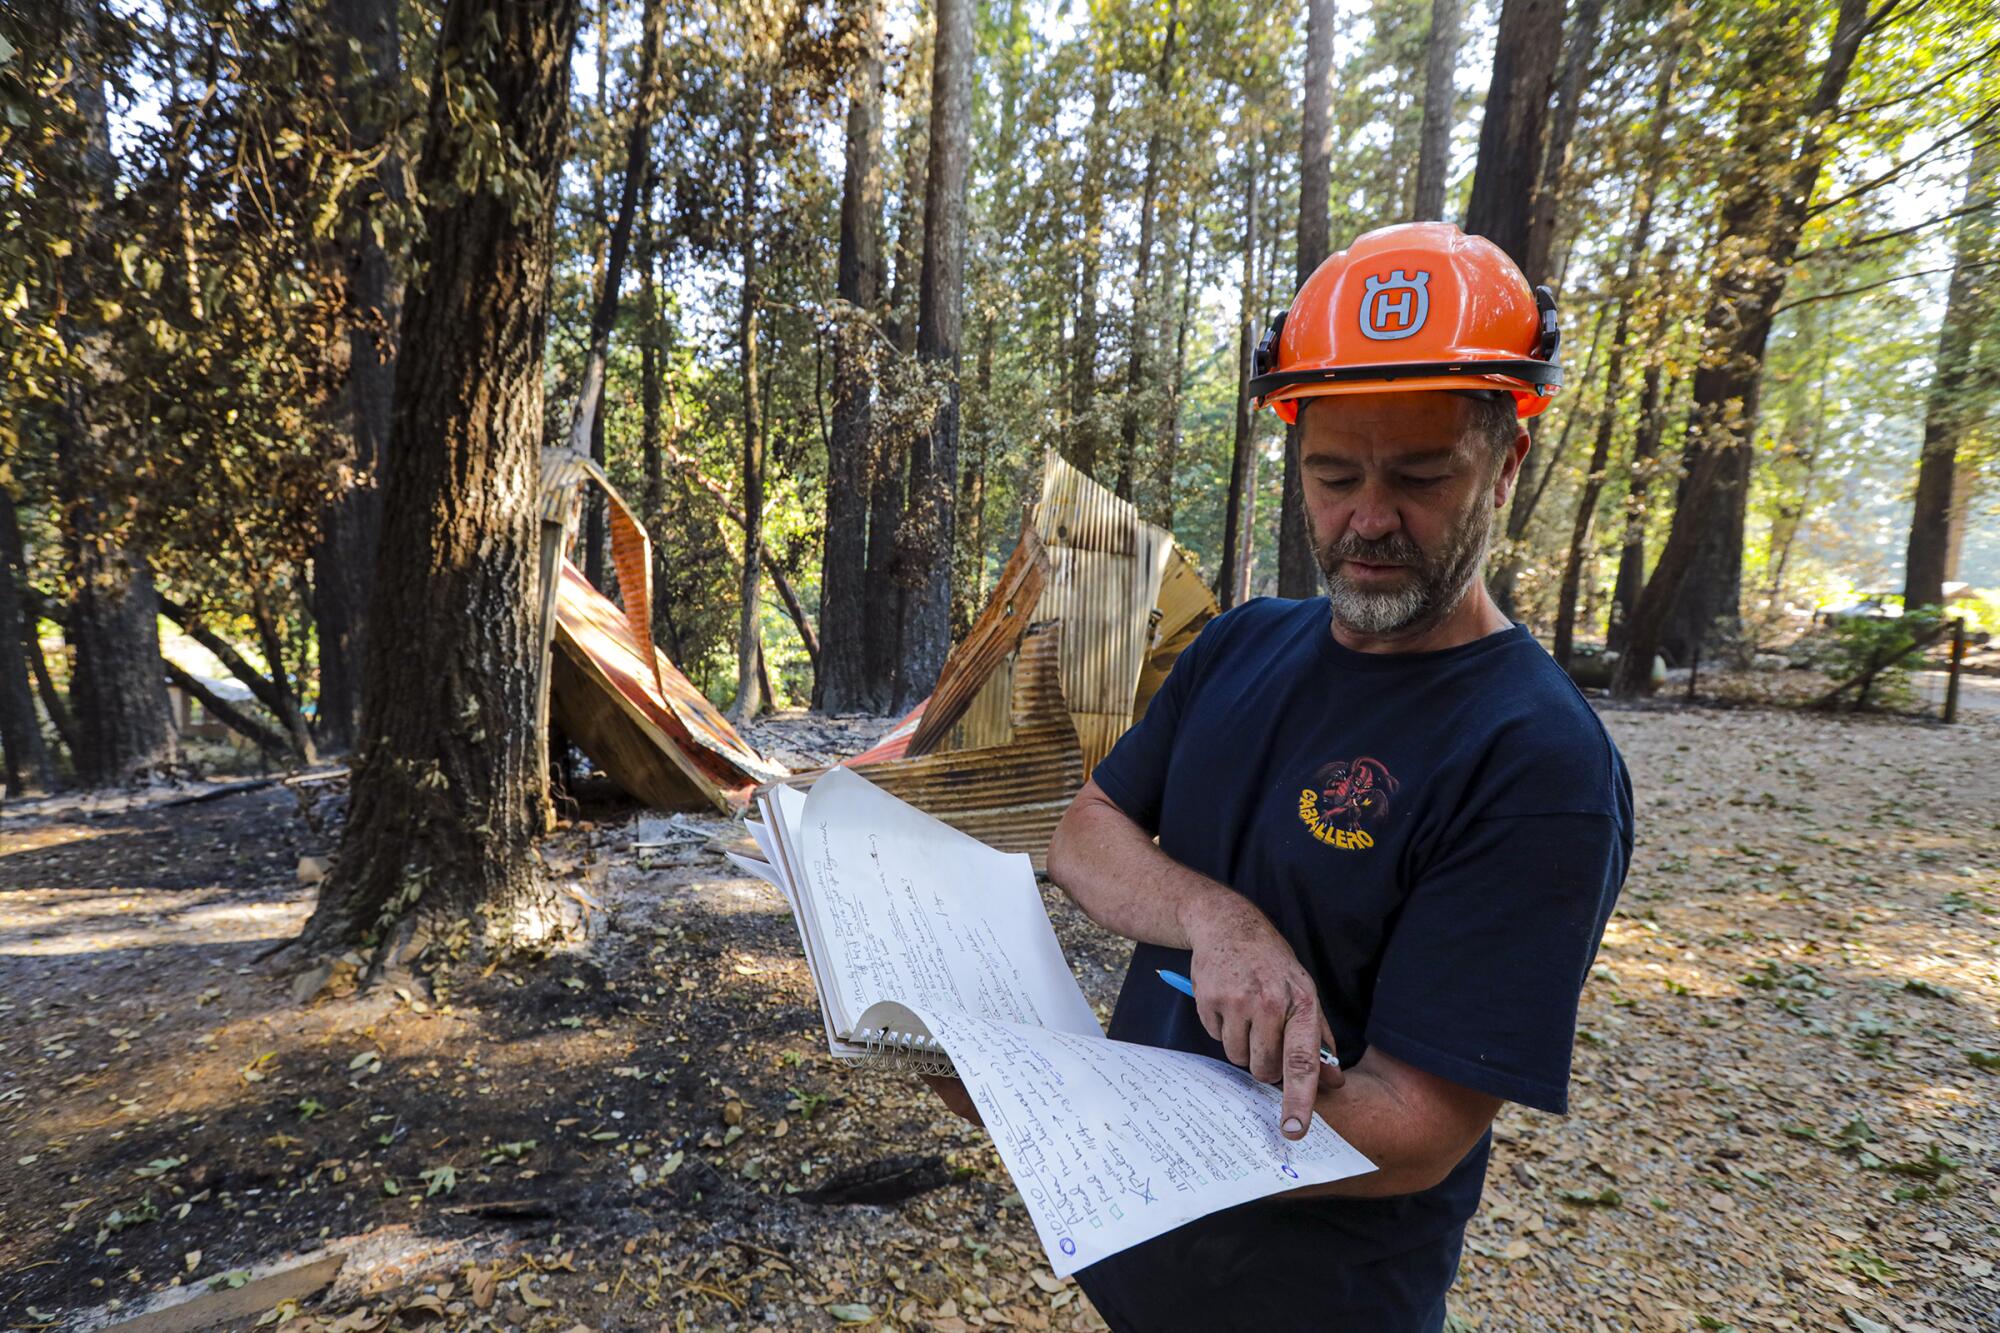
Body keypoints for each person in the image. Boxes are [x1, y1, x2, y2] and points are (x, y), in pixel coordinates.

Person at [930, 221, 1634, 1331]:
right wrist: (1218, 920)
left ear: (1505, 462)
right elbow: (1088, 829)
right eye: (1331, 473)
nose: (1365, 520)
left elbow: (1408, 1128)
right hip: (1137, 1258)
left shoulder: (1535, 762)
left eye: (1417, 476)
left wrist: (1072, 1107)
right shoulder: (1241, 645)